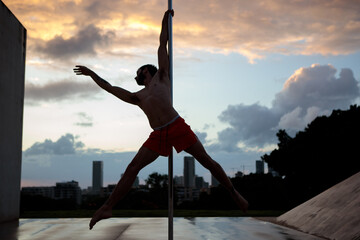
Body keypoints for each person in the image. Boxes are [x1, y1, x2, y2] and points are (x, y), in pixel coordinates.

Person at [74, 9, 248, 230]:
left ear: (146, 70)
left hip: (176, 125)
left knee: (207, 161)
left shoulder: (162, 76)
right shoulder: (137, 96)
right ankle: (108, 206)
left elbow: (162, 44)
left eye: (138, 72)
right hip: (158, 134)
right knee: (132, 167)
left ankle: (234, 194)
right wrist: (92, 74)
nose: (136, 76)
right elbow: (109, 88)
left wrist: (165, 19)